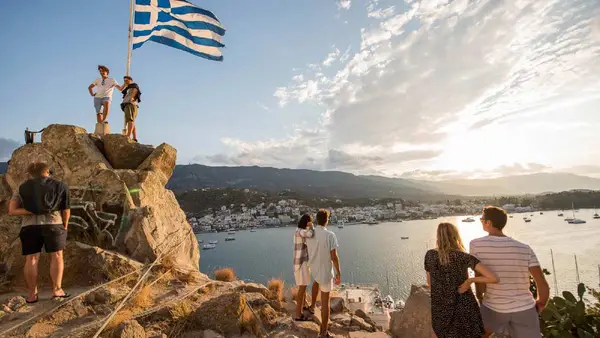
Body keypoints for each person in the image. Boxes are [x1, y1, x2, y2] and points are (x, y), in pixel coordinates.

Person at [470, 206, 550, 338]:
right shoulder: (525, 248)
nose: (481, 222)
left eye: (482, 219)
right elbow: (540, 280)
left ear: (489, 223)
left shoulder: (476, 245)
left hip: (493, 307)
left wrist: (480, 299)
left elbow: (479, 276)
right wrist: (540, 304)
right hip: (524, 308)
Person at [8, 162, 71, 303]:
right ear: (47, 171)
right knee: (57, 256)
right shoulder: (60, 186)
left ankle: (32, 295)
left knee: (31, 259)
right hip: (54, 224)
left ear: (30, 174)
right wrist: (65, 225)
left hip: (29, 226)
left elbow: (12, 210)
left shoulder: (22, 187)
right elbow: (66, 209)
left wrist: (31, 211)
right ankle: (57, 290)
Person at [424, 222, 498, 338]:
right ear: (455, 236)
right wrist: (470, 281)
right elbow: (493, 278)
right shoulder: (463, 257)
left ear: (438, 236)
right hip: (464, 306)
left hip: (441, 309)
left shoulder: (430, 255)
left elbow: (430, 284)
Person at [305, 209, 341, 338]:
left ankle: (312, 306)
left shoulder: (310, 234)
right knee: (325, 304)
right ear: (327, 220)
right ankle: (323, 333)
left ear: (317, 220)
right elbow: (334, 257)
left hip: (315, 269)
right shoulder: (330, 235)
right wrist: (339, 273)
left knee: (316, 282)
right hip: (325, 272)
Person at [293, 214, 314, 321]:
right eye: (309, 222)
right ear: (306, 222)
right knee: (302, 288)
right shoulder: (300, 231)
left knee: (304, 287)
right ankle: (298, 314)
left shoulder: (299, 231)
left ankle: (303, 306)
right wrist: (311, 226)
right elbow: (310, 234)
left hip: (302, 263)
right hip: (301, 264)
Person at [120, 76, 142, 142]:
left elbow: (135, 90)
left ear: (130, 80)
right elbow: (121, 89)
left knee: (130, 120)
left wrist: (131, 98)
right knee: (131, 121)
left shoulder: (134, 85)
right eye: (124, 81)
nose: (125, 82)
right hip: (127, 104)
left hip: (130, 104)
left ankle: (128, 135)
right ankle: (134, 137)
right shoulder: (128, 88)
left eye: (126, 80)